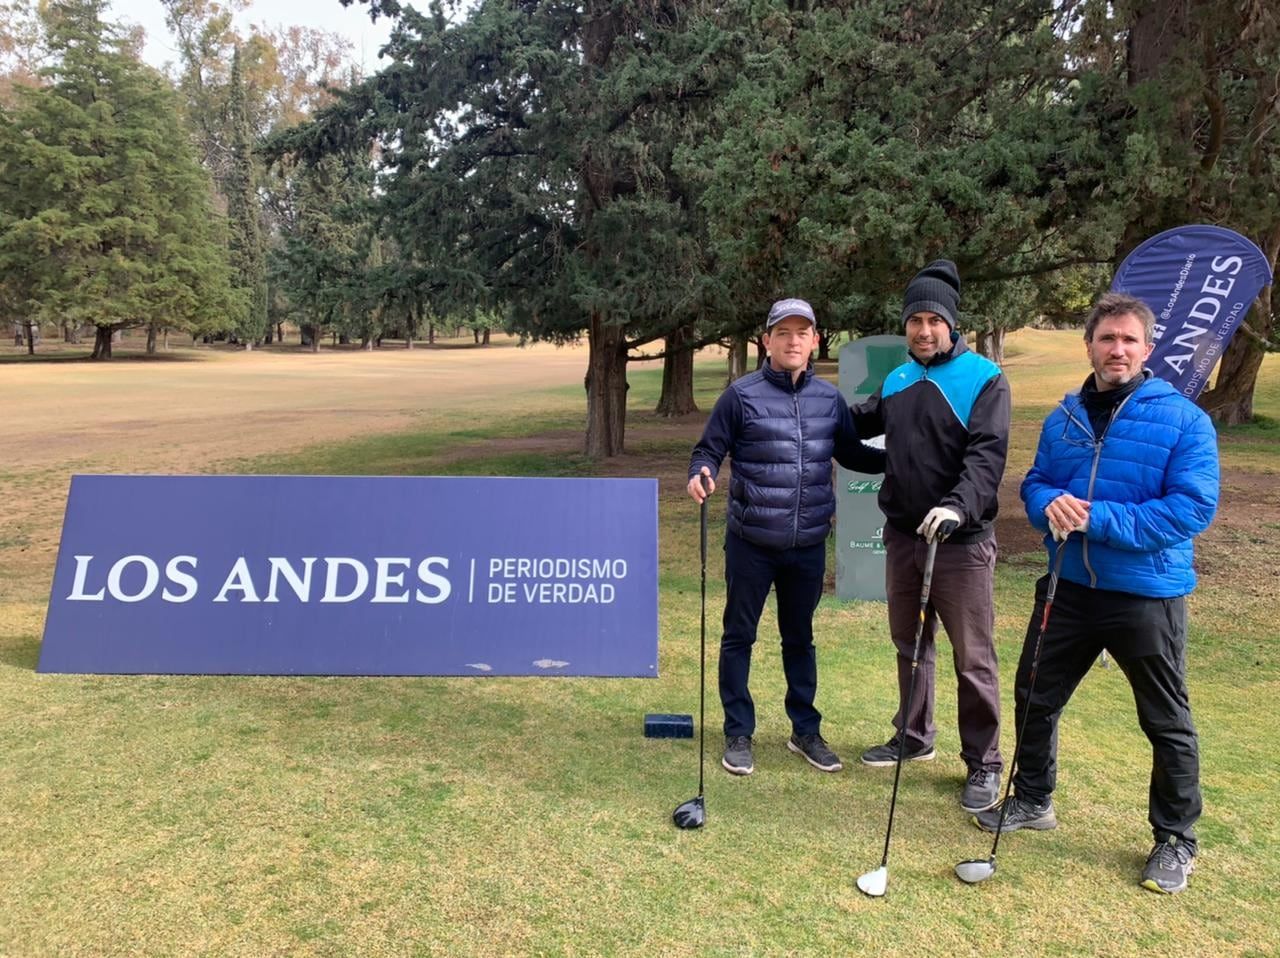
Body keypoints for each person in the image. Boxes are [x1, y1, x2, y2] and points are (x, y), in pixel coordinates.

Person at [973, 291, 1219, 895]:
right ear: (1089, 346)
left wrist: (1094, 518)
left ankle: (1175, 838)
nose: (1117, 349)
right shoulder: (1064, 418)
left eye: (1129, 339)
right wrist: (1047, 504)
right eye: (1107, 338)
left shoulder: (1184, 419)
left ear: (1147, 348)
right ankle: (1033, 798)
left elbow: (1191, 508)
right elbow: (1036, 483)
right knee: (1034, 695)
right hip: (1069, 586)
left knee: (1165, 719)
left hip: (1145, 594)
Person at [688, 297, 881, 776]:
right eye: (784, 332)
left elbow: (852, 453)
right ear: (767, 340)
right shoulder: (740, 396)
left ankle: (805, 731)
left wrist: (905, 459)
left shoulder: (829, 400)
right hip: (751, 542)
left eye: (802, 332)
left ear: (815, 340)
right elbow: (708, 450)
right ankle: (738, 731)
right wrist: (701, 473)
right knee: (739, 636)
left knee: (800, 639)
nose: (793, 341)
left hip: (808, 544)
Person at [850, 260, 1010, 815]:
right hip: (904, 539)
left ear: (951, 323)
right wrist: (808, 414)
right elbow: (857, 426)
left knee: (973, 658)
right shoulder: (898, 380)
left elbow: (986, 457)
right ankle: (915, 735)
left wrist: (956, 506)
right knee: (910, 645)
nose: (923, 330)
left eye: (933, 320)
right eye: (915, 320)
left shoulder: (983, 378)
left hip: (960, 544)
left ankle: (985, 761)